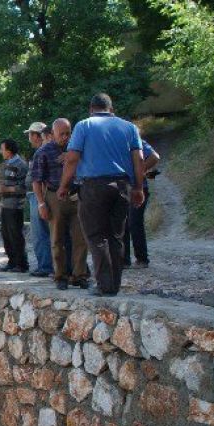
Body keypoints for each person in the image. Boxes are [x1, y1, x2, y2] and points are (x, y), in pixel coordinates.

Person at [59, 93, 146, 296]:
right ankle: (114, 284)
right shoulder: (129, 127)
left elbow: (72, 159)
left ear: (91, 109)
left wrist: (64, 185)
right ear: (111, 109)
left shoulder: (84, 126)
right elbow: (139, 159)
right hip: (122, 186)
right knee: (116, 236)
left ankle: (104, 285)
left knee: (96, 236)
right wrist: (138, 187)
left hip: (93, 187)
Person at [32, 119, 90, 290]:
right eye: (62, 134)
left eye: (68, 133)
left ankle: (79, 275)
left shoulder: (77, 149)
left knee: (81, 238)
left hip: (77, 195)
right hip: (54, 196)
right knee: (57, 238)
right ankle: (60, 276)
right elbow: (37, 180)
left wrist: (73, 157)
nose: (65, 137)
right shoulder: (43, 152)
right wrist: (41, 204)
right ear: (53, 134)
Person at [124, 139, 160, 269]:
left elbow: (155, 157)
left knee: (134, 222)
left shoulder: (134, 141)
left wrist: (139, 171)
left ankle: (142, 259)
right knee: (124, 223)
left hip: (137, 188)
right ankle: (124, 260)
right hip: (124, 188)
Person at [24, 122, 54, 278]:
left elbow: (39, 179)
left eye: (30, 135)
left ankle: (45, 266)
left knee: (40, 233)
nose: (29, 139)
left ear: (36, 135)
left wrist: (42, 201)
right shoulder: (49, 151)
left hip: (40, 197)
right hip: (41, 197)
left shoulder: (42, 152)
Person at [0, 139, 29, 273]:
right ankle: (11, 262)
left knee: (16, 235)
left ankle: (21, 264)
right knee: (6, 235)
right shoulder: (8, 164)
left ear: (9, 151)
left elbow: (25, 186)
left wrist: (8, 190)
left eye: (2, 149)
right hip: (6, 205)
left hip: (16, 206)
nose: (0, 152)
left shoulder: (20, 165)